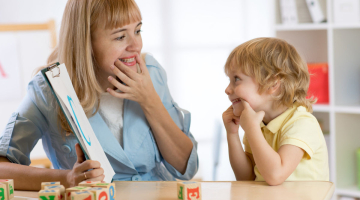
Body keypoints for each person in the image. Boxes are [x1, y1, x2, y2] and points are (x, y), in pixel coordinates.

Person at [0, 0, 198, 190]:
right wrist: (67, 178)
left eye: (137, 31)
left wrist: (150, 100)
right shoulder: (48, 89)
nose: (136, 46)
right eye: (120, 37)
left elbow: (186, 168)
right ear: (85, 41)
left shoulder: (151, 72)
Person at [222, 37, 329, 186]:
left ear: (272, 84)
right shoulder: (257, 125)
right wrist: (232, 134)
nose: (227, 89)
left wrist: (252, 129)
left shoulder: (302, 123)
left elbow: (275, 175)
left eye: (236, 79)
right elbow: (246, 178)